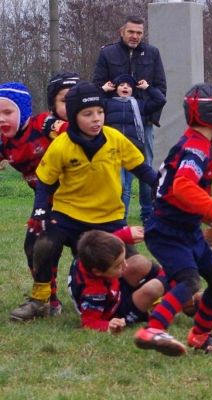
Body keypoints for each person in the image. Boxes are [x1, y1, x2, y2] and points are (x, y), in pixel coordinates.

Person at [9, 81, 157, 321]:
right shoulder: (61, 145)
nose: (96, 119)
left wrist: (162, 187)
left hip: (108, 219)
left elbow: (142, 169)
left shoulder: (115, 138)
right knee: (42, 243)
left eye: (100, 112)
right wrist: (39, 211)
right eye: (88, 114)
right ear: (74, 116)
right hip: (68, 216)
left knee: (134, 263)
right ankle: (41, 300)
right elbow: (45, 184)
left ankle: (158, 296)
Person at [133, 83, 212, 356]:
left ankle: (200, 337)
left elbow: (181, 191)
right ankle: (153, 329)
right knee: (189, 281)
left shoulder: (198, 143)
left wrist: (207, 215)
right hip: (168, 232)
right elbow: (182, 187)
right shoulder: (196, 148)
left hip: (187, 230)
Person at [0, 77, 77, 317]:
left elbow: (76, 135)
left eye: (7, 112)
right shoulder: (3, 140)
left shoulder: (44, 124)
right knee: (34, 247)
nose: (1, 118)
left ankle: (120, 293)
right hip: (45, 203)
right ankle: (47, 301)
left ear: (23, 111)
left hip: (78, 200)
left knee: (92, 250)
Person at [93, 15, 167, 224]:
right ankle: (118, 216)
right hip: (114, 126)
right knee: (119, 173)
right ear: (122, 32)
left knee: (146, 168)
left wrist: (150, 118)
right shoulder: (107, 53)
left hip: (144, 123)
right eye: (131, 32)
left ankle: (148, 214)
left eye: (139, 33)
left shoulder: (152, 53)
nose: (135, 36)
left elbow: (161, 88)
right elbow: (97, 85)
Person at [68, 228, 166, 333]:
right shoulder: (94, 295)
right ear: (98, 272)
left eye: (123, 259)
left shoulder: (88, 254)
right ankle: (175, 290)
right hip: (115, 311)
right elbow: (89, 323)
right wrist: (109, 325)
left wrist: (126, 234)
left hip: (114, 289)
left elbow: (104, 244)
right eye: (118, 265)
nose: (125, 265)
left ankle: (175, 279)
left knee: (139, 262)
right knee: (153, 289)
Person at [102, 73, 166, 219]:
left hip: (132, 149)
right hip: (113, 149)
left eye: (129, 85)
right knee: (121, 185)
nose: (125, 87)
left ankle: (122, 219)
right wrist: (103, 89)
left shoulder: (140, 105)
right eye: (122, 85)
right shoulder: (108, 104)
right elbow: (92, 102)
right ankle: (118, 217)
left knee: (127, 186)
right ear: (115, 88)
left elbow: (160, 100)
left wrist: (148, 88)